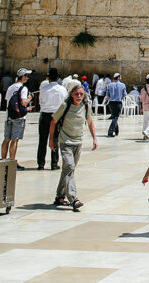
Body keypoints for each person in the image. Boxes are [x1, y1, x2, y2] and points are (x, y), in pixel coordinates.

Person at [49, 81, 98, 212]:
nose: (79, 96)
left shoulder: (86, 105)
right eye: (76, 94)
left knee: (68, 169)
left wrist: (94, 138)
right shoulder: (65, 105)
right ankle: (73, 199)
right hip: (65, 141)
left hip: (78, 142)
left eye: (81, 94)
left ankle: (59, 196)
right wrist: (51, 140)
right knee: (69, 167)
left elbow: (90, 122)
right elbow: (53, 122)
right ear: (71, 95)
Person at [3, 68, 33, 169]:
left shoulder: (11, 87)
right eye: (27, 76)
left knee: (7, 139)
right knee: (14, 140)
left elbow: (7, 100)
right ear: (23, 77)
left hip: (8, 116)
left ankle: (3, 161)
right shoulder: (23, 88)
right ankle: (12, 162)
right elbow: (23, 102)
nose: (28, 78)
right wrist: (29, 98)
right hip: (19, 117)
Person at [37, 67, 67, 170]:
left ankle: (40, 164)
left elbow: (40, 102)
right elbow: (64, 103)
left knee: (42, 140)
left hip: (45, 115)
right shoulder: (62, 89)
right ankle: (54, 163)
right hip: (56, 116)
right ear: (58, 78)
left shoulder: (44, 89)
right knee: (54, 139)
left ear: (49, 78)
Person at [105, 73, 127, 137]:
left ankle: (116, 131)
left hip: (111, 103)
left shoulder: (110, 85)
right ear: (118, 77)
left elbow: (108, 95)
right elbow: (124, 94)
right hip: (118, 102)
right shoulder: (122, 85)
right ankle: (110, 131)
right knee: (115, 117)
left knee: (114, 116)